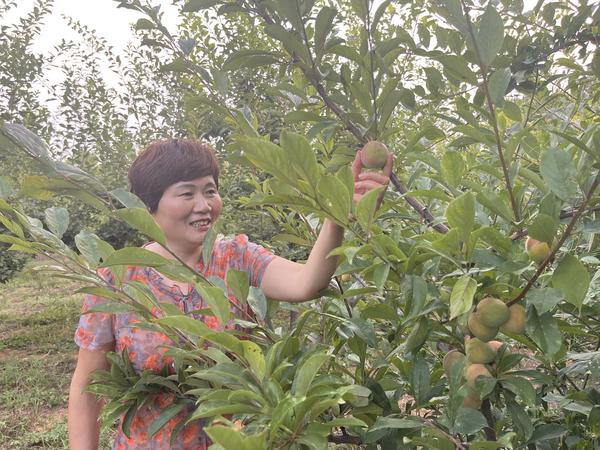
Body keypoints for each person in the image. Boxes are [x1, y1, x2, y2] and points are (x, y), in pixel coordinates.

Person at [68, 138, 393, 449]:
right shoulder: (118, 278)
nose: (204, 205)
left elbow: (306, 282)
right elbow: (88, 387)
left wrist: (338, 216)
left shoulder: (237, 257)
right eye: (186, 193)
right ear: (150, 205)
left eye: (210, 190)